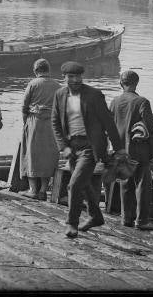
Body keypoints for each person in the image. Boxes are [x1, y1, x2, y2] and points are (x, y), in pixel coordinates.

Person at [51, 61, 126, 238]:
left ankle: (71, 224)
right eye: (71, 77)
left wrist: (119, 149)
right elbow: (55, 122)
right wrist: (63, 146)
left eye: (78, 76)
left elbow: (108, 122)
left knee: (74, 185)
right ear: (64, 77)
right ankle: (96, 216)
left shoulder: (94, 95)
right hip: (71, 147)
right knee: (83, 184)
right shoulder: (59, 95)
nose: (76, 80)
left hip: (90, 147)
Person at [108, 70, 153, 230]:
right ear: (137, 83)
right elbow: (150, 129)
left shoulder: (114, 102)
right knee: (142, 184)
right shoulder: (142, 102)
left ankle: (126, 218)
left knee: (125, 182)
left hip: (121, 149)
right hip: (139, 150)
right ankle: (142, 221)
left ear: (120, 83)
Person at [19, 58, 61, 200]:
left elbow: (24, 107)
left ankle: (32, 189)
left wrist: (26, 123)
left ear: (36, 71)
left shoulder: (33, 84)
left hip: (35, 121)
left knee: (31, 153)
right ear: (48, 70)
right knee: (48, 155)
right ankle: (43, 190)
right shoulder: (58, 85)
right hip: (51, 124)